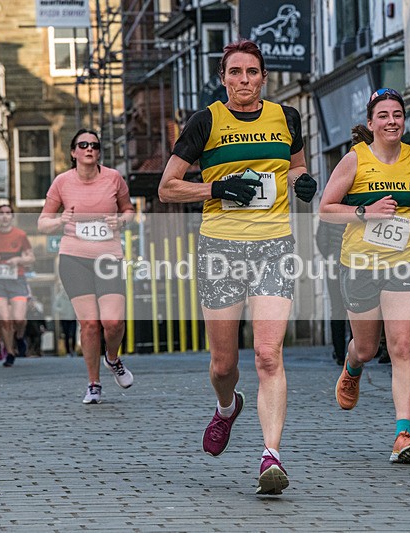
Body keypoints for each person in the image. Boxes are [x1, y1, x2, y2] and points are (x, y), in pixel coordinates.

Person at [158, 38, 317, 495]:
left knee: (268, 355)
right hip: (221, 249)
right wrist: (217, 189)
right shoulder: (205, 121)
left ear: (264, 77)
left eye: (252, 72)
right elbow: (168, 188)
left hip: (274, 247)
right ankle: (227, 407)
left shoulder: (287, 117)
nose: (244, 80)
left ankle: (271, 457)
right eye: (235, 73)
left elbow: (295, 168)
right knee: (224, 364)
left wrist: (302, 182)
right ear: (223, 78)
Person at [319, 88, 410, 464]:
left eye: (397, 114)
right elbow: (326, 209)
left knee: (402, 346)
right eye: (384, 115)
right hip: (360, 265)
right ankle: (352, 365)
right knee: (368, 348)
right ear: (371, 122)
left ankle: (403, 434)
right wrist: (365, 211)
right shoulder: (354, 161)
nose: (392, 121)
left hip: (402, 263)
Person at [38, 129, 136, 404]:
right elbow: (42, 222)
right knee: (90, 325)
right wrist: (59, 221)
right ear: (74, 152)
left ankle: (113, 359)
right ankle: (94, 384)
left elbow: (129, 209)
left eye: (94, 145)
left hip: (108, 257)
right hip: (74, 258)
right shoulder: (62, 182)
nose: (89, 149)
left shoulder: (113, 178)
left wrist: (123, 221)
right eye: (83, 145)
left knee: (113, 322)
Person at [0, 204, 35, 366]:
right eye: (1, 214)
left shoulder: (20, 235)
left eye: (8, 213)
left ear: (12, 217)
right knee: (5, 319)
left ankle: (19, 337)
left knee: (18, 319)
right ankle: (10, 353)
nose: (4, 216)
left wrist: (18, 260)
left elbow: (31, 258)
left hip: (17, 279)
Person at [315, 219, 349, 366]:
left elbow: (321, 240)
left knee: (337, 309)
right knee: (358, 308)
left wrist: (331, 256)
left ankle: (340, 353)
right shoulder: (357, 204)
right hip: (356, 262)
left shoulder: (329, 210)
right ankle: (356, 351)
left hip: (334, 265)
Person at [53, 279, 77, 357]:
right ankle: (67, 352)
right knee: (66, 335)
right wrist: (62, 310)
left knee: (73, 335)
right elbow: (55, 307)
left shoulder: (73, 295)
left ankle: (73, 350)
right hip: (64, 318)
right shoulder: (59, 296)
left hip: (73, 318)